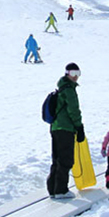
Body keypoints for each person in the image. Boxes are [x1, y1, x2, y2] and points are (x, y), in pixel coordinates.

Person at [46, 63, 85, 200]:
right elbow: (73, 110)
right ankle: (61, 190)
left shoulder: (61, 88)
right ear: (67, 73)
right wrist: (79, 127)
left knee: (57, 159)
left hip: (55, 128)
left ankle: (53, 189)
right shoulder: (69, 90)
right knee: (65, 159)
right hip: (65, 128)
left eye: (78, 74)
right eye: (73, 73)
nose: (75, 77)